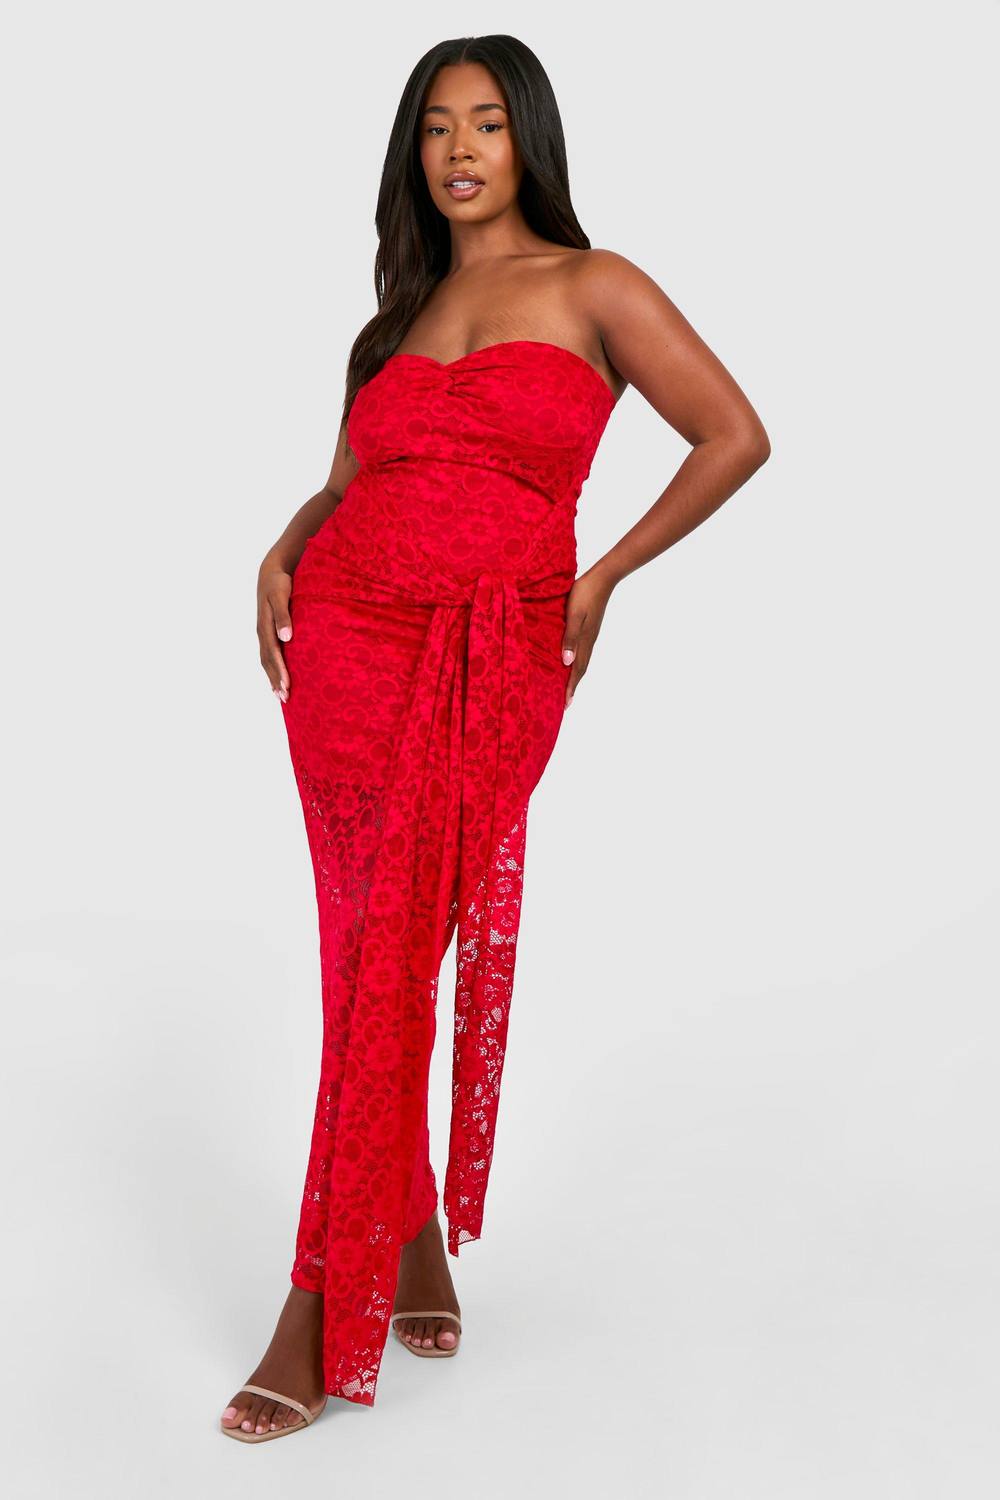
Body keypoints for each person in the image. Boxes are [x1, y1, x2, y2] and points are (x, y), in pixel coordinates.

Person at [220, 33, 770, 1443]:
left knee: (394, 950)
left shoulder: (596, 286)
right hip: (345, 641)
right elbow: (349, 477)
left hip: (493, 654)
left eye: (485, 123)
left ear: (529, 137)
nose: (459, 150)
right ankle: (402, 1237)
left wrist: (604, 576)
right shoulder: (399, 317)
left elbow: (733, 434)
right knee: (369, 957)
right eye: (435, 127)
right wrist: (283, 545)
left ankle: (313, 1303)